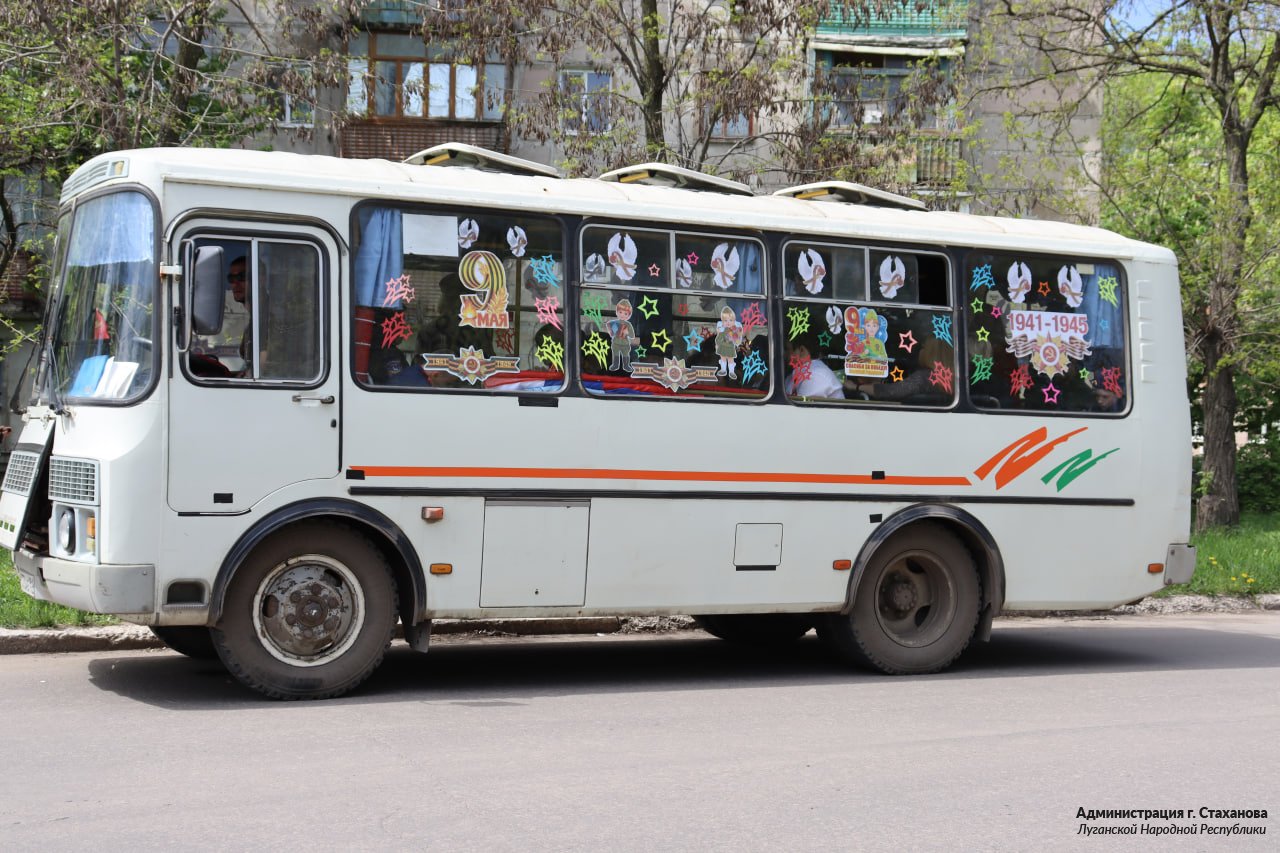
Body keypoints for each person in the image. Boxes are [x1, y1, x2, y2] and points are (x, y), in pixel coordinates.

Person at [784, 333, 844, 399]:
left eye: (787, 349)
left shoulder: (816, 374)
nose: (784, 354)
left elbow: (802, 408)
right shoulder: (793, 375)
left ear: (802, 350)